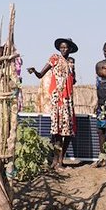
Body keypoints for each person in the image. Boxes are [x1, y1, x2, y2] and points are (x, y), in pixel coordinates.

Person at [28, 38, 77, 168]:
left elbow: (74, 80)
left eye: (66, 48)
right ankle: (55, 159)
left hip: (68, 99)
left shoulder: (71, 62)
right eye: (62, 47)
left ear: (70, 49)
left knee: (68, 131)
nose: (64, 50)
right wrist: (34, 71)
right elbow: (41, 74)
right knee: (57, 131)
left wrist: (72, 69)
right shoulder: (55, 58)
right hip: (58, 99)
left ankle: (60, 160)